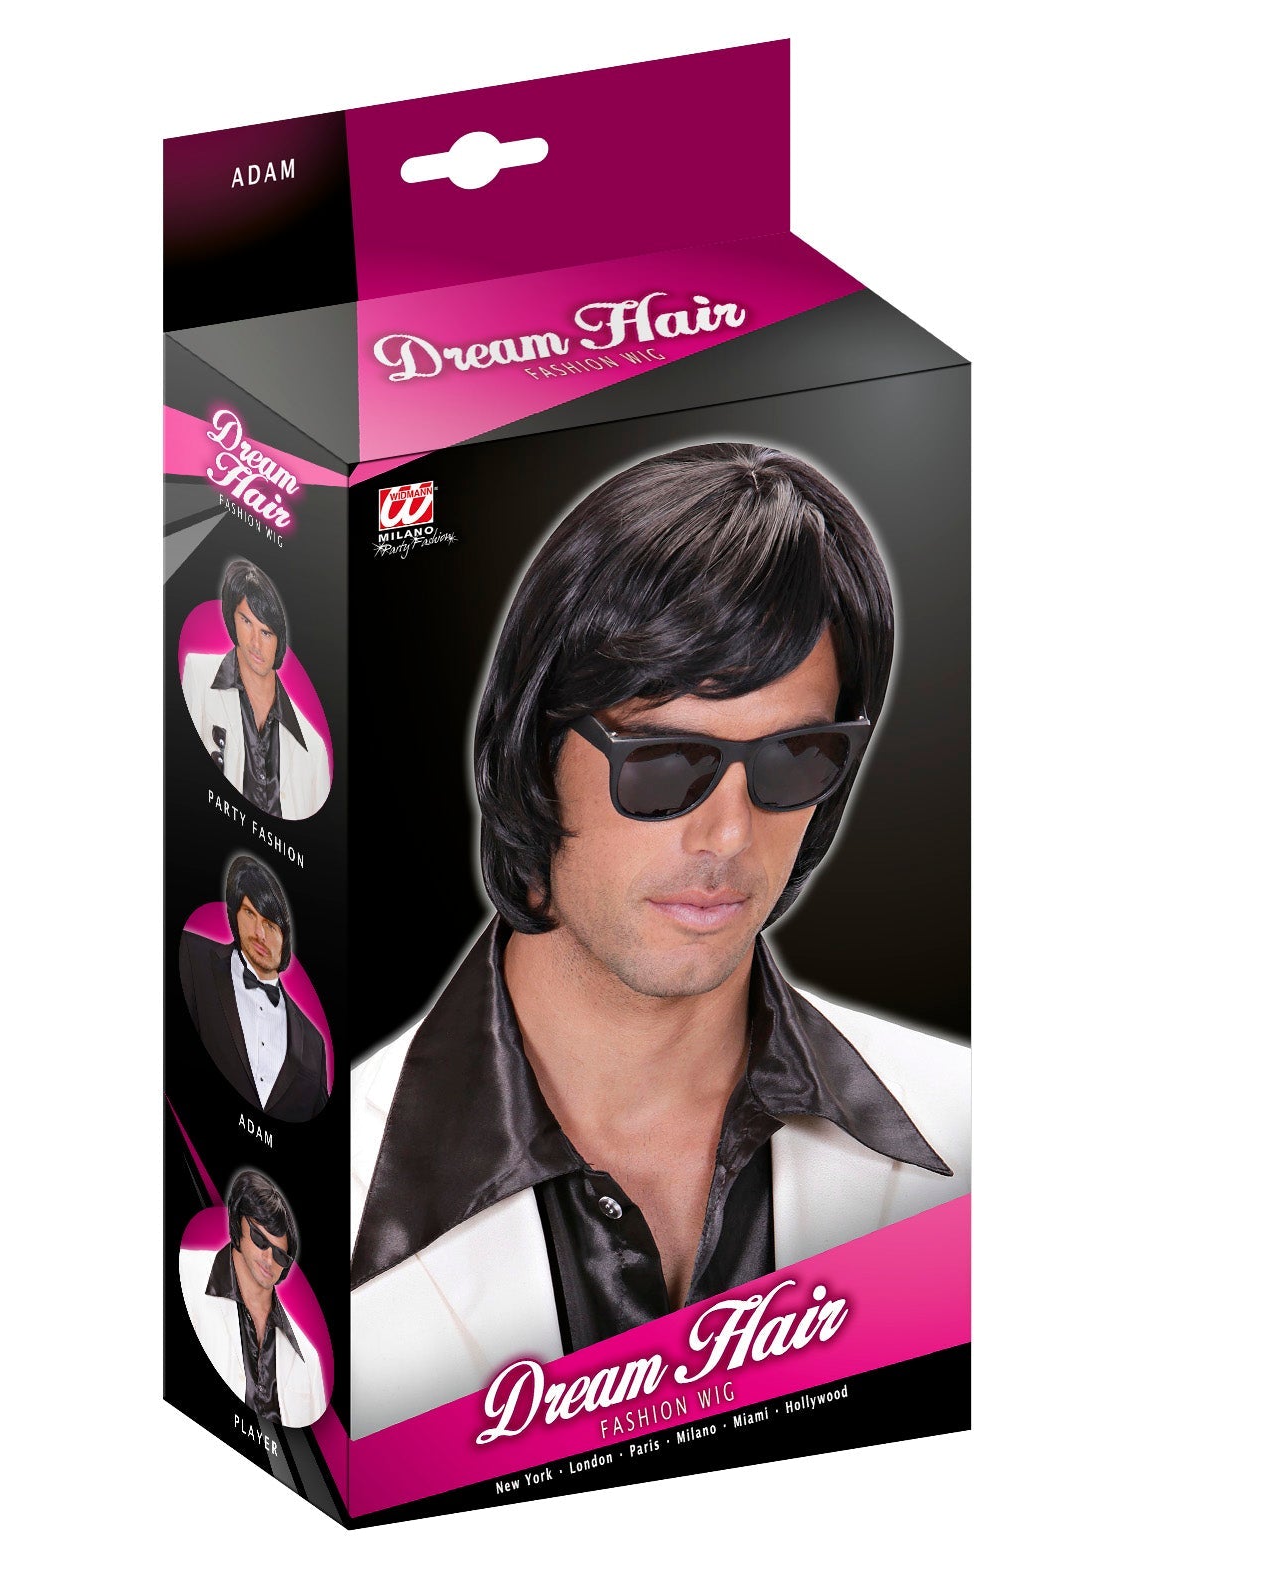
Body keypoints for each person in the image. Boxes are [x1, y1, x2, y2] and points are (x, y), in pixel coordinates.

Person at [349, 442, 970, 1438]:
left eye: (795, 758)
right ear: (533, 752)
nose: (727, 836)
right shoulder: (322, 1201)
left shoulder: (969, 1130)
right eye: (665, 761)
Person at [179, 856, 329, 1122]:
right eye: (250, 913)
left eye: (270, 925)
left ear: (285, 939)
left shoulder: (314, 1043)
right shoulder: (191, 955)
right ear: (235, 914)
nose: (260, 933)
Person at [181, 558, 331, 819]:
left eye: (266, 632)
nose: (255, 643)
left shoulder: (314, 750)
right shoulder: (198, 674)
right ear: (233, 617)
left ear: (279, 641)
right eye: (246, 621)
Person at [178, 1170, 328, 1428]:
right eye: (260, 1239)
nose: (269, 1259)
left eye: (280, 1255)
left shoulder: (309, 1361)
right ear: (238, 1224)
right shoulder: (185, 1274)